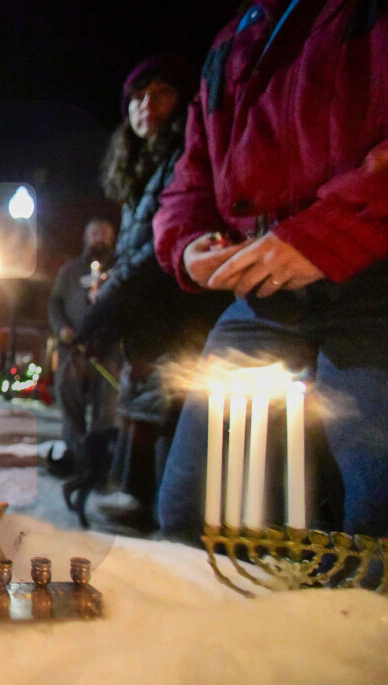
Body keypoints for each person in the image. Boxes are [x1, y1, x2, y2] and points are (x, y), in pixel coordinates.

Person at [153, 0, 388, 540]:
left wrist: (327, 232)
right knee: (194, 512)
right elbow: (192, 176)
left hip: (376, 280)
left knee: (373, 523)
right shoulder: (235, 39)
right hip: (267, 290)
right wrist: (190, 244)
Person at [70, 57, 230, 532]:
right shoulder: (145, 169)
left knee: (171, 404)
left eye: (159, 93)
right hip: (153, 314)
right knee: (149, 403)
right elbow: (138, 245)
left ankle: (162, 514)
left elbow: (160, 250)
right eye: (137, 97)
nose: (146, 105)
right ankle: (143, 500)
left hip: (182, 309)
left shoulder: (184, 154)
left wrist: (109, 301)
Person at [47, 218, 119, 483]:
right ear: (85, 237)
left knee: (107, 407)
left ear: (112, 238)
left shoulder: (121, 268)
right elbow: (55, 303)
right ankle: (76, 458)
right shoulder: (69, 271)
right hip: (73, 350)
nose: (99, 237)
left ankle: (99, 463)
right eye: (94, 232)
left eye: (105, 233)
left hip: (107, 350)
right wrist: (62, 328)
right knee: (70, 402)